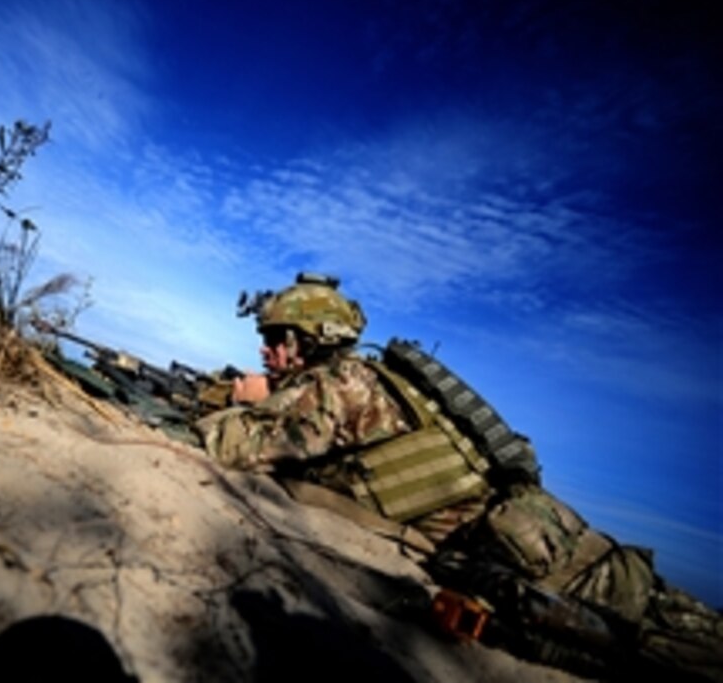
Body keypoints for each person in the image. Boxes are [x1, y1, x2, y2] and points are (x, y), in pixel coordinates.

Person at [195, 272, 723, 682]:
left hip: (546, 570)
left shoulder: (342, 384)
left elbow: (237, 449)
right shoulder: (370, 379)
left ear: (309, 339)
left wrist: (242, 400)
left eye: (275, 337)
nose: (265, 349)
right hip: (557, 546)